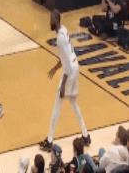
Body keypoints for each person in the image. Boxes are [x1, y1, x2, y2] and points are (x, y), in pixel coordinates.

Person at [40, 9, 91, 151]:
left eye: (51, 19)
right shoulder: (64, 29)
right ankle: (86, 135)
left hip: (70, 70)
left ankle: (49, 141)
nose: (49, 22)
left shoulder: (60, 40)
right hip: (75, 66)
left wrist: (62, 85)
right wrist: (55, 68)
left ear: (56, 21)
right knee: (73, 102)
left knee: (58, 103)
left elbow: (66, 65)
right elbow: (65, 57)